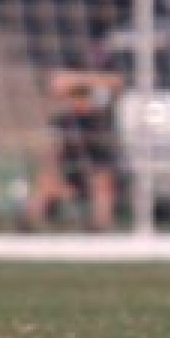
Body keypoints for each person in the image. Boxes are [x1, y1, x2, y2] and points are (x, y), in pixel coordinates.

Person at [24, 68, 124, 231]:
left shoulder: (102, 117)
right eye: (73, 97)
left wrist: (75, 79)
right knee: (46, 181)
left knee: (102, 181)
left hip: (100, 174)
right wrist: (52, 171)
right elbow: (52, 153)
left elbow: (118, 82)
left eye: (82, 96)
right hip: (72, 176)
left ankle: (101, 228)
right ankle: (28, 226)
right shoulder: (61, 122)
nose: (77, 101)